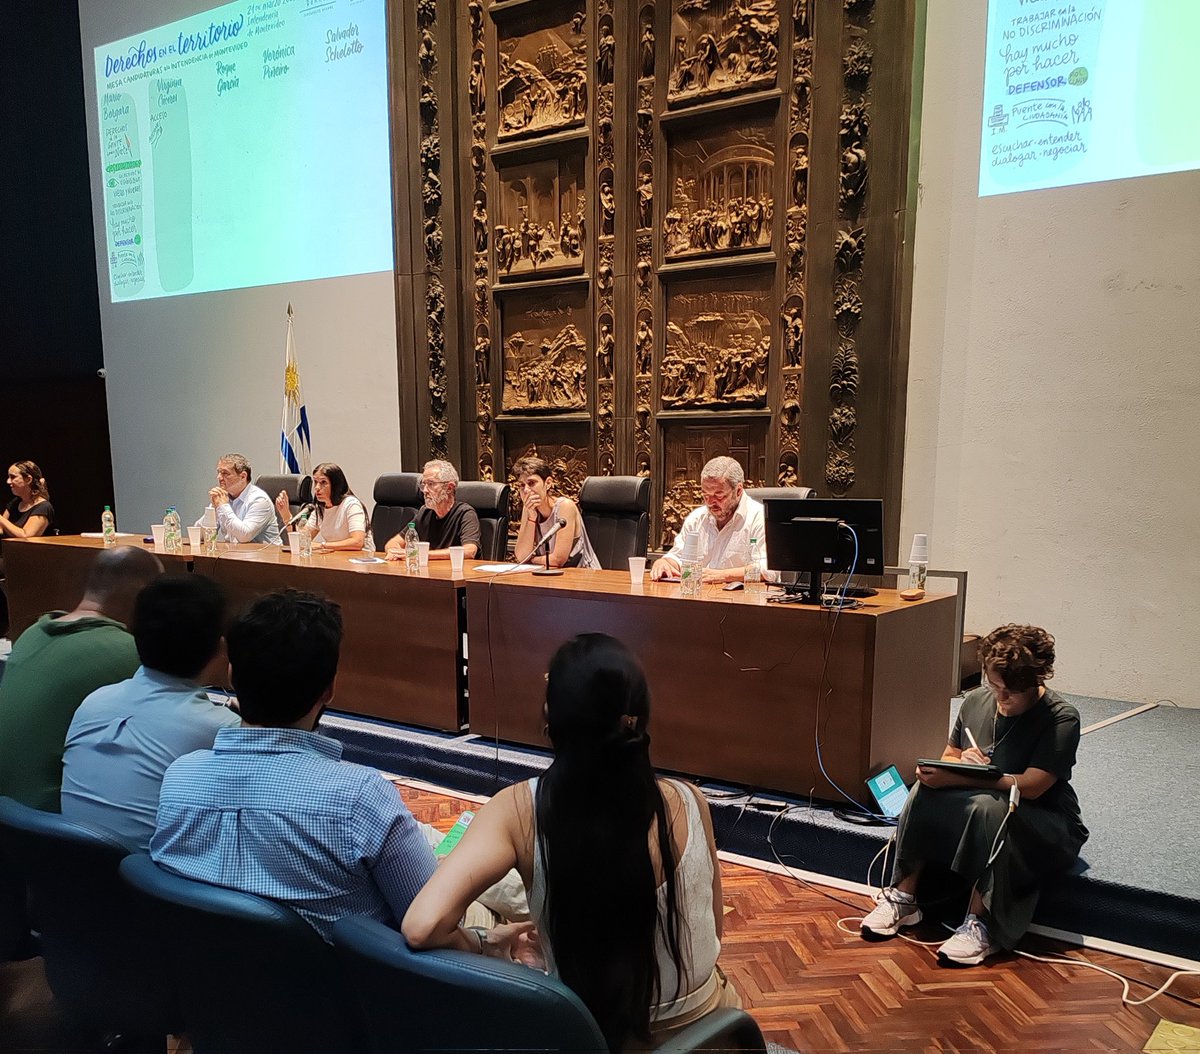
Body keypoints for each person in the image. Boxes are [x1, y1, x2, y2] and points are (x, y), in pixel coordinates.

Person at [403, 633, 739, 1052]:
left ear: (549, 716)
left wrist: (484, 942)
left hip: (586, 1039)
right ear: (637, 716)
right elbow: (714, 936)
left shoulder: (517, 809)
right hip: (714, 1037)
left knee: (470, 891)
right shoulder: (690, 801)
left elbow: (421, 927)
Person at [150, 589, 438, 942]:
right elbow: (431, 922)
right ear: (330, 689)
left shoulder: (178, 778)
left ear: (231, 674)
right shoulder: (360, 798)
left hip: (206, 985)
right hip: (350, 992)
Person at [860, 624, 1088, 966]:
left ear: (1036, 682)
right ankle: (904, 898)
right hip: (987, 800)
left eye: (1012, 691)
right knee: (925, 787)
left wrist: (973, 779)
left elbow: (1033, 785)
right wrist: (960, 763)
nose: (1002, 698)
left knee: (988, 806)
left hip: (1046, 820)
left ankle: (981, 923)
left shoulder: (1061, 718)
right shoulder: (978, 700)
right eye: (995, 686)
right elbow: (950, 753)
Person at [60, 576, 240, 851]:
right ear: (220, 646)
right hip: (152, 886)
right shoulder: (225, 730)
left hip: (66, 878)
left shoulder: (93, 702)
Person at [0, 546, 163, 811]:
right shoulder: (126, 652)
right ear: (146, 597)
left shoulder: (33, 633)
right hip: (57, 826)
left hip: (12, 820)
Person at [650, 456, 766, 584]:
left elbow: (767, 569)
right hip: (700, 597)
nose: (711, 503)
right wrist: (664, 562)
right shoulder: (697, 518)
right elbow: (678, 557)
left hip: (742, 600)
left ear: (738, 491)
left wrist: (723, 576)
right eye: (705, 495)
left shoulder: (759, 518)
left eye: (719, 495)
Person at [510, 456, 599, 569]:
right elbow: (521, 556)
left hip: (583, 574)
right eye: (522, 485)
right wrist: (532, 517)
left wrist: (531, 559)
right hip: (550, 573)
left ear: (548, 483)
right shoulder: (528, 509)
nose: (526, 490)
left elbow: (558, 560)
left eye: (531, 483)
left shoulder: (565, 506)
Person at [384, 460, 480, 561]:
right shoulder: (425, 512)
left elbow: (470, 551)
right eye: (423, 484)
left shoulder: (465, 513)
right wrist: (394, 551)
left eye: (430, 484)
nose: (425, 490)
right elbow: (393, 542)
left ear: (449, 488)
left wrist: (419, 554)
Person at [275, 461, 373, 553]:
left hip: (360, 560)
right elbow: (302, 540)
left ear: (336, 485)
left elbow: (357, 542)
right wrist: (286, 515)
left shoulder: (351, 504)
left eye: (323, 482)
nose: (317, 487)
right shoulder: (320, 509)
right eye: (315, 482)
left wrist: (322, 545)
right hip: (336, 559)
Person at [194, 453, 281, 545]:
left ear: (243, 476)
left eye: (225, 473)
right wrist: (214, 510)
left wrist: (223, 507)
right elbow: (199, 535)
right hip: (233, 554)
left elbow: (244, 536)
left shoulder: (259, 500)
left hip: (265, 557)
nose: (219, 477)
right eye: (218, 472)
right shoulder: (222, 497)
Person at [0, 460, 54, 540]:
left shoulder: (44, 507)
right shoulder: (15, 503)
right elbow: (1, 528)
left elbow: (26, 536)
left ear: (28, 479)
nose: (8, 481)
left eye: (13, 477)